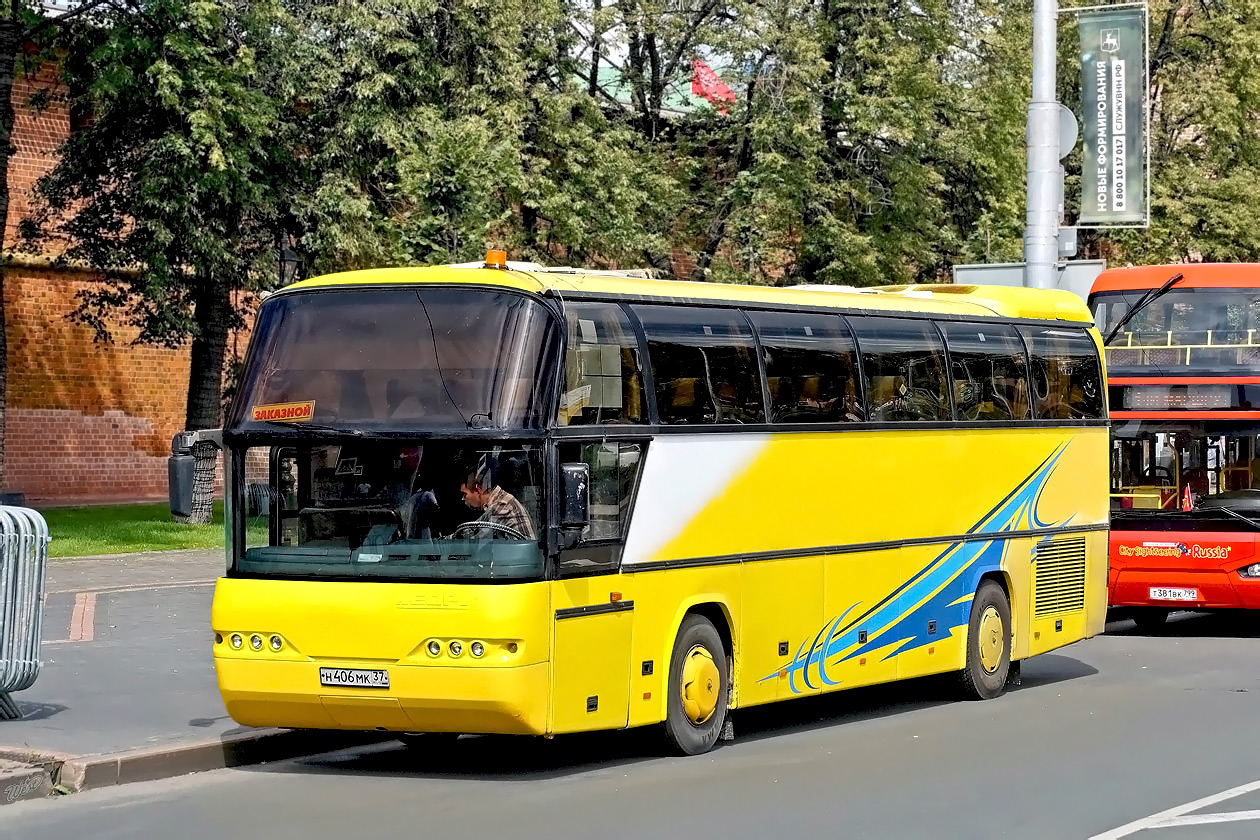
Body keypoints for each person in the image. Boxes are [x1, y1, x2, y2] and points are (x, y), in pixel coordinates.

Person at [459, 462, 536, 539]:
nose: (463, 498)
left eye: (465, 493)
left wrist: (448, 540)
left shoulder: (502, 506)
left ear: (478, 489)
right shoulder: (499, 501)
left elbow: (471, 537)